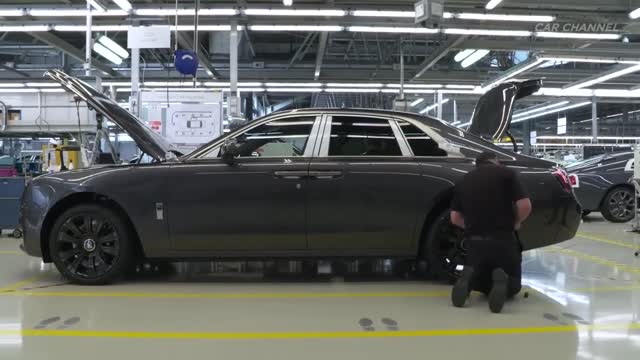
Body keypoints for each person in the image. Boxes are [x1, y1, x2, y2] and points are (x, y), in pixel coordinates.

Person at [449, 151, 532, 313]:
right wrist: (516, 223)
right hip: (503, 240)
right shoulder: (508, 174)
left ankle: (470, 277)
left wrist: (473, 226)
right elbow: (525, 205)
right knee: (513, 285)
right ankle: (503, 279)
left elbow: (454, 218)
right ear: (496, 162)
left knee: (480, 278)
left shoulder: (464, 180)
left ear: (477, 164)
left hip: (475, 243)